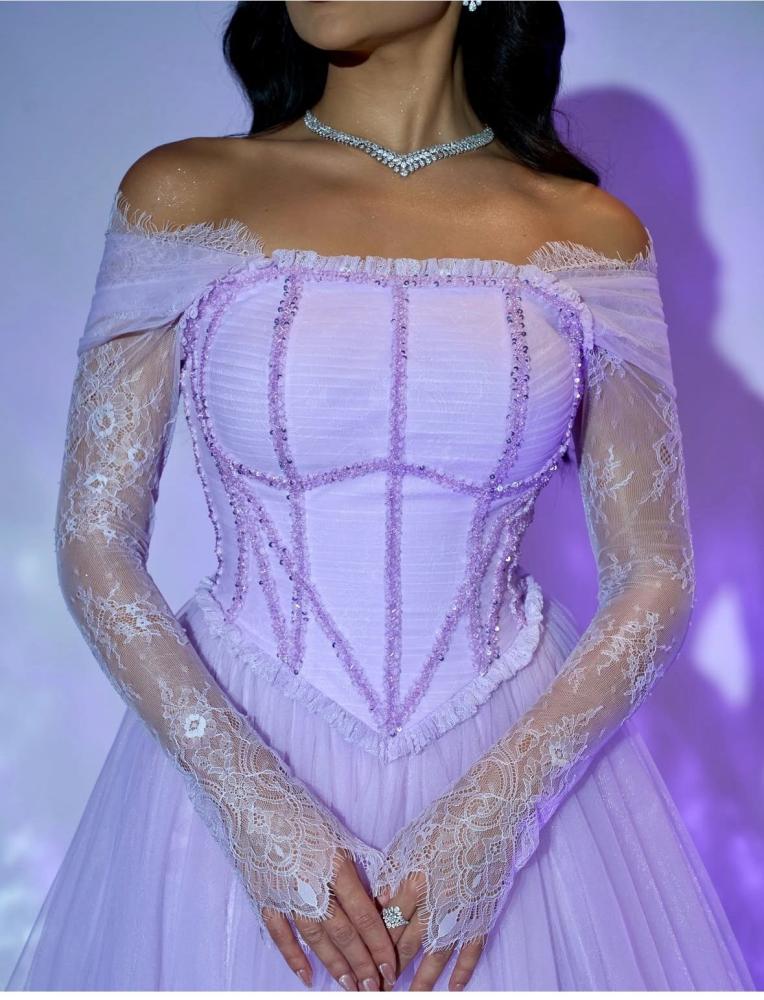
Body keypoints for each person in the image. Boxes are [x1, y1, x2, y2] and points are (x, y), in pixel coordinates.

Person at [6, 0, 754, 992]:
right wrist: (259, 814)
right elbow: (94, 543)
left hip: (511, 792)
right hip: (234, 775)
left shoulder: (590, 237)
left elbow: (654, 577)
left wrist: (495, 818)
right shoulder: (183, 194)